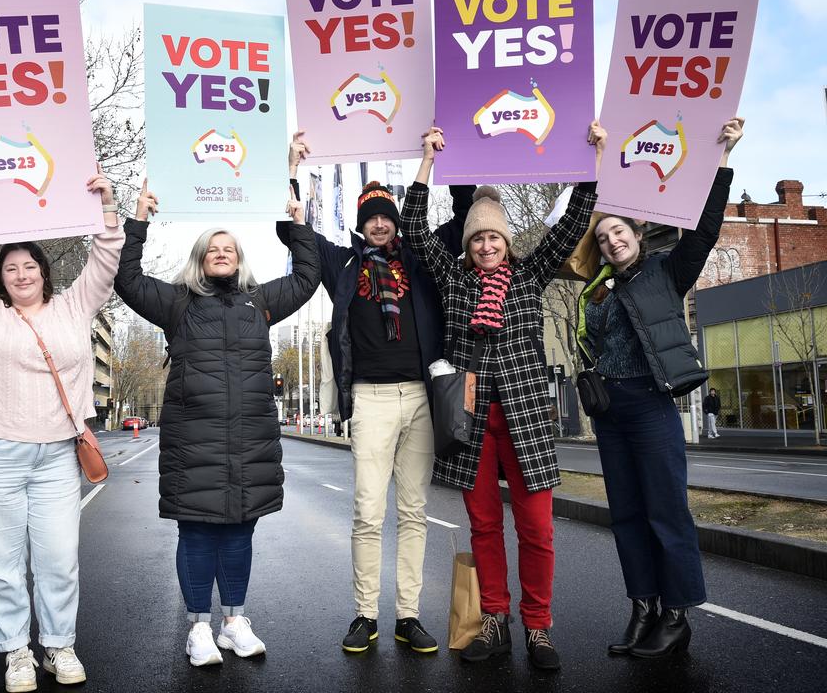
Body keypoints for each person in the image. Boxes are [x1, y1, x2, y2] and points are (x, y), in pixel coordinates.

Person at [401, 123, 605, 670]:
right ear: (467, 245)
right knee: (484, 526)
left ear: (507, 242)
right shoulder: (455, 280)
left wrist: (593, 159)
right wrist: (426, 161)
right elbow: (414, 229)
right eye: (476, 238)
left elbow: (569, 228)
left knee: (536, 528)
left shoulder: (530, 274)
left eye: (494, 237)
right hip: (469, 419)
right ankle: (495, 618)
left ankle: (539, 627)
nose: (486, 245)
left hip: (526, 419)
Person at [279, 131, 474, 656]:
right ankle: (365, 614)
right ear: (361, 224)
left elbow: (460, 223)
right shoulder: (342, 266)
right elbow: (297, 232)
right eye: (371, 217)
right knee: (369, 512)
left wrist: (442, 159)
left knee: (413, 511)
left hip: (421, 398)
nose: (380, 223)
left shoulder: (419, 261)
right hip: (369, 400)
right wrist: (291, 168)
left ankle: (407, 617)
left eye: (386, 215)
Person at [0, 169, 123, 692]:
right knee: (1, 566)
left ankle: (59, 646)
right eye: (11, 267)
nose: (21, 274)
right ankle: (16, 650)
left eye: (29, 265)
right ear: (1, 276)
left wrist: (107, 205)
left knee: (59, 561)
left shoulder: (74, 307)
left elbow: (105, 262)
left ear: (43, 271)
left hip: (57, 456)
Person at [114, 178, 319, 667]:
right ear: (201, 257)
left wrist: (297, 226)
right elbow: (127, 280)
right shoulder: (177, 304)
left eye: (229, 249)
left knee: (240, 533)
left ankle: (234, 622)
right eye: (213, 248)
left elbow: (307, 279)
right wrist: (138, 219)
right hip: (194, 443)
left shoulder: (260, 303)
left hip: (249, 442)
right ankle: (198, 628)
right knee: (199, 533)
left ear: (239, 258)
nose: (222, 254)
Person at [577, 118, 744, 659]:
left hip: (651, 407)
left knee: (665, 512)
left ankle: (676, 615)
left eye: (618, 230)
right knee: (624, 515)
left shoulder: (666, 273)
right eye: (603, 237)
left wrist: (721, 159)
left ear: (637, 232)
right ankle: (643, 607)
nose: (611, 238)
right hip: (611, 415)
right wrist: (597, 160)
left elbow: (705, 232)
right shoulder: (598, 292)